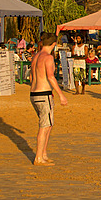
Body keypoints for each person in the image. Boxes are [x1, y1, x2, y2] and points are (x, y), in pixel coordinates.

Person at [29, 33, 68, 166]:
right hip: (43, 93)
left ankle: (43, 154)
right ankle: (39, 157)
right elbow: (51, 76)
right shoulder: (48, 57)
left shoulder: (36, 56)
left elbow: (31, 76)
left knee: (48, 124)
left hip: (34, 94)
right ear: (54, 44)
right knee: (44, 126)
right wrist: (61, 94)